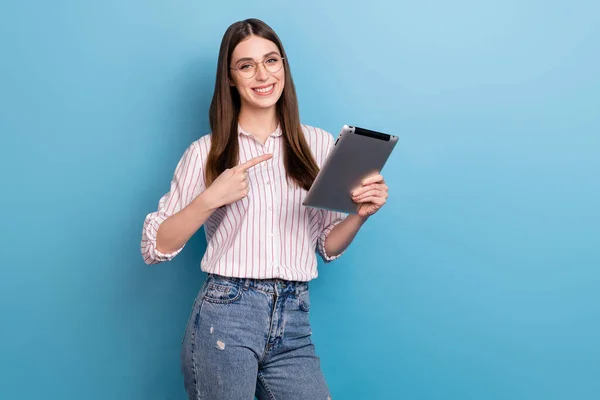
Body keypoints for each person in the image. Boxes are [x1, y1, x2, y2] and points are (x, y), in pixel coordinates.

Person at [141, 18, 389, 400]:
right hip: (226, 317)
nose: (262, 74)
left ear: (284, 67)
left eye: (271, 61)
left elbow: (327, 246)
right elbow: (154, 246)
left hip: (294, 317)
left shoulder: (318, 144)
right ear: (230, 78)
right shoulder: (206, 152)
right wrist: (210, 197)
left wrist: (360, 215)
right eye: (246, 65)